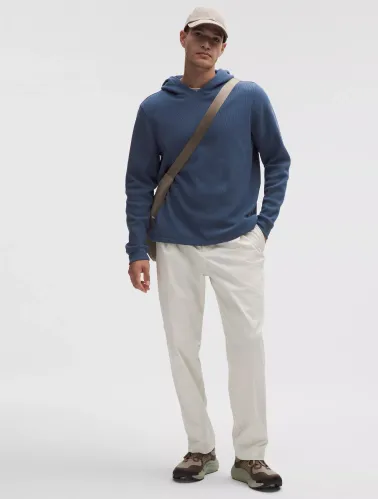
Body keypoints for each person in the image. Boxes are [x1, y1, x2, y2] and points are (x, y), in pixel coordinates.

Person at [124, 6, 291, 492]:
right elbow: (138, 181)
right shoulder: (154, 108)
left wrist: (262, 227)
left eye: (216, 38)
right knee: (182, 347)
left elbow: (278, 161)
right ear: (183, 37)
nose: (207, 44)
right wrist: (136, 249)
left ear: (223, 47)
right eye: (200, 35)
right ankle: (200, 448)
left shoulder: (248, 97)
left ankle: (251, 455)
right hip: (175, 244)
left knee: (247, 346)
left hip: (237, 242)